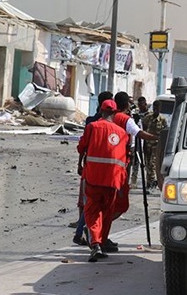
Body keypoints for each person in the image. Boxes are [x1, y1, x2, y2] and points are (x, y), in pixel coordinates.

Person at [77, 99, 129, 262]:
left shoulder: (92, 127)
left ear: (100, 110)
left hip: (93, 178)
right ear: (115, 113)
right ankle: (101, 241)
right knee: (106, 213)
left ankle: (95, 243)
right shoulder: (122, 133)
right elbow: (125, 159)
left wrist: (79, 164)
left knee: (92, 211)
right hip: (112, 180)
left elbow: (81, 148)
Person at [73, 91, 114, 246]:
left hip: (90, 168)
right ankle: (94, 238)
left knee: (88, 203)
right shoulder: (109, 125)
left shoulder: (91, 121)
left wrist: (79, 164)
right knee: (94, 204)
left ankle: (83, 233)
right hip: (104, 172)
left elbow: (82, 147)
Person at [112, 92, 158, 216]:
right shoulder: (126, 119)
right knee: (120, 202)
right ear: (127, 104)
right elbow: (139, 133)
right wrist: (157, 138)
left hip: (109, 159)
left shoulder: (109, 117)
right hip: (121, 158)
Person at [141, 100, 168, 189]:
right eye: (155, 108)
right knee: (147, 164)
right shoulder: (147, 118)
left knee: (153, 164)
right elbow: (143, 129)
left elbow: (165, 132)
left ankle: (152, 183)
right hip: (147, 145)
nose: (156, 110)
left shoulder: (163, 120)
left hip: (156, 146)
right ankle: (149, 181)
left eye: (158, 108)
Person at [129, 96, 150, 188]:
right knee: (136, 161)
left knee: (148, 162)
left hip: (148, 141)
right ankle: (133, 180)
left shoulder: (149, 115)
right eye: (139, 105)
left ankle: (149, 181)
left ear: (145, 104)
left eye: (142, 105)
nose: (140, 107)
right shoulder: (135, 115)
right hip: (138, 139)